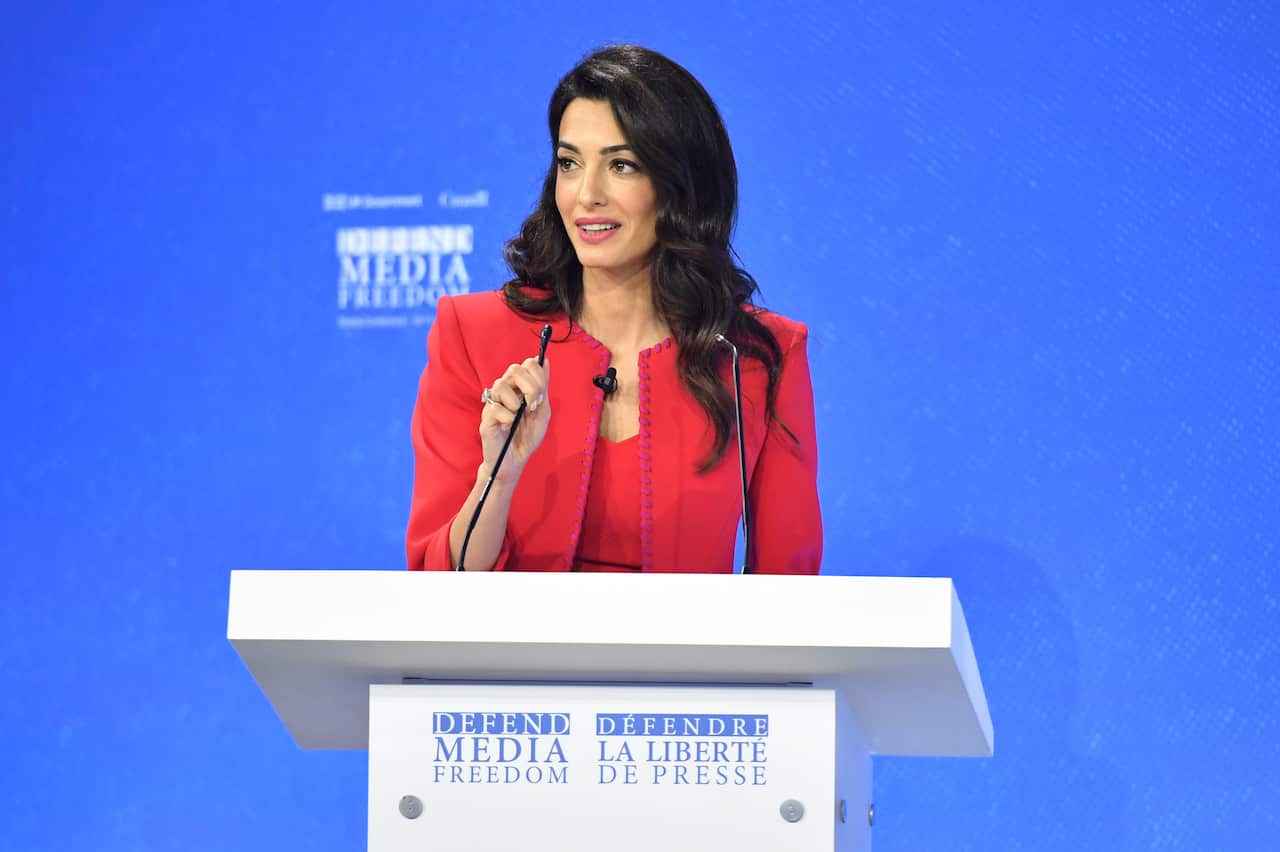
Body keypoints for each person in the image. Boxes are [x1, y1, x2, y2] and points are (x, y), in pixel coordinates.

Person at [406, 45, 821, 574]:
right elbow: (438, 580)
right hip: (512, 634)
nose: (587, 195)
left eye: (621, 165)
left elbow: (790, 588)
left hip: (688, 634)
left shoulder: (758, 356)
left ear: (681, 187)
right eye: (569, 163)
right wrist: (498, 477)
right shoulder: (473, 333)